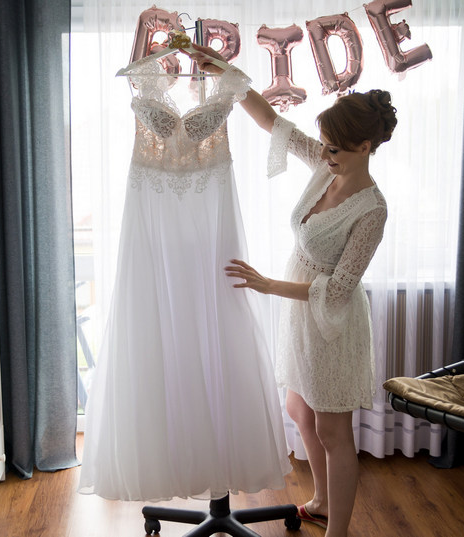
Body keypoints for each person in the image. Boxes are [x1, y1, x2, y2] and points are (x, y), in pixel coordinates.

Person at [185, 43, 397, 537]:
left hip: (333, 324)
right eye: (323, 145)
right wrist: (227, 72)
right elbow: (271, 121)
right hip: (301, 314)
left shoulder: (372, 209)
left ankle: (337, 532)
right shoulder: (326, 166)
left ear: (365, 147)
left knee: (333, 431)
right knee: (298, 409)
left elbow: (339, 289)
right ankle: (321, 500)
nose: (324, 153)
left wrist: (266, 285)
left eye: (335, 148)